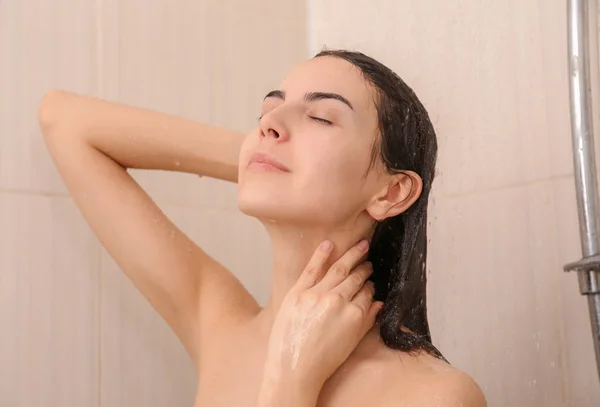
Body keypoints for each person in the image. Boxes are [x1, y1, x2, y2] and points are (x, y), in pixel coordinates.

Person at [38, 48, 486, 407]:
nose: (270, 124)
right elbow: (63, 119)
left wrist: (291, 382)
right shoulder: (222, 326)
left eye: (320, 118)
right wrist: (257, 159)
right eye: (267, 111)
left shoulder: (435, 396)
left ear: (391, 193)